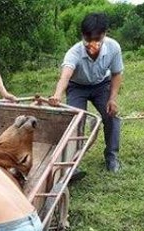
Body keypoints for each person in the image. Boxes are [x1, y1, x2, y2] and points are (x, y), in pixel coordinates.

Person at [49, 12, 124, 173]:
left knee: (112, 117)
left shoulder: (113, 48)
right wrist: (57, 94)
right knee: (75, 121)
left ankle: (112, 157)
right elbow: (65, 76)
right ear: (82, 35)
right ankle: (71, 165)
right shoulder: (74, 53)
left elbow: (117, 73)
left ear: (105, 34)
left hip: (101, 85)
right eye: (88, 39)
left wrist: (112, 99)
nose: (92, 44)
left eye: (97, 39)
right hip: (77, 87)